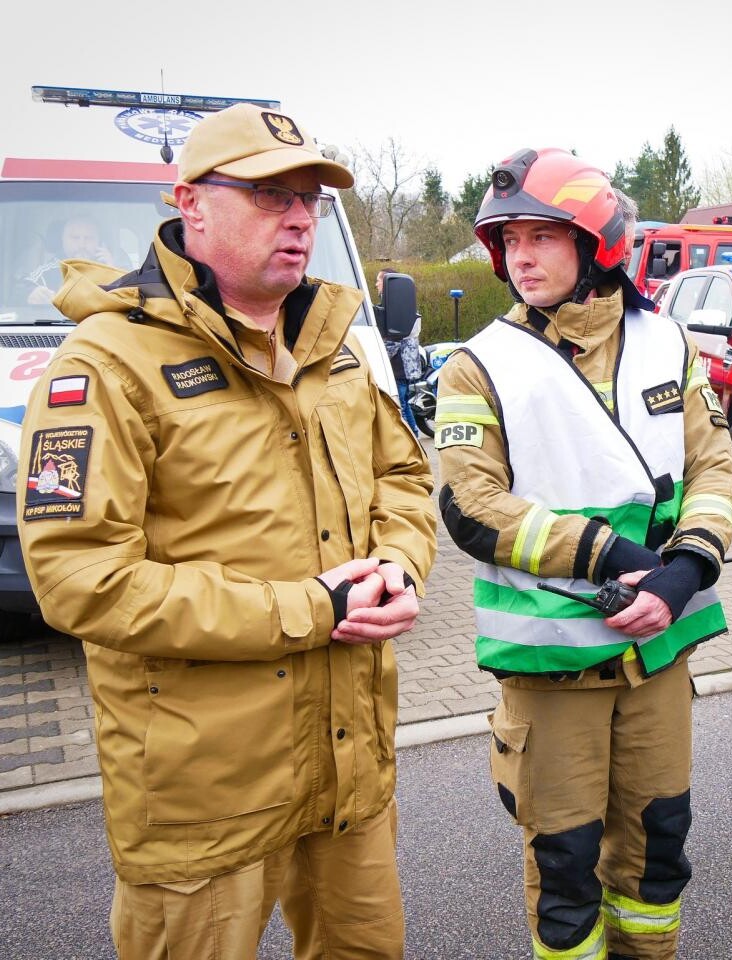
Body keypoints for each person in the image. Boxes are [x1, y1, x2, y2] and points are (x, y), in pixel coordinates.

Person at [17, 103, 438, 959]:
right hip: (202, 791)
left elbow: (403, 476)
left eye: (310, 199)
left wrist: (398, 560)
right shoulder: (104, 364)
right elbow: (77, 577)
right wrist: (306, 609)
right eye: (268, 194)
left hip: (346, 766)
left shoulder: (339, 348)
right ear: (190, 203)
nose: (297, 217)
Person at [434, 148, 732, 960]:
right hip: (554, 660)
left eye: (541, 235)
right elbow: (470, 505)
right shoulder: (478, 365)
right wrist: (609, 555)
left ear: (596, 242)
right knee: (566, 876)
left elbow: (714, 464)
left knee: (656, 856)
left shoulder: (666, 339)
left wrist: (686, 572)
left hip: (658, 643)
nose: (520, 257)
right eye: (508, 241)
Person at [23, 215, 113, 304]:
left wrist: (112, 271)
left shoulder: (112, 268)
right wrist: (32, 294)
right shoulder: (44, 275)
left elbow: (123, 303)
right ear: (63, 240)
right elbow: (20, 291)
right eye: (75, 238)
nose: (82, 245)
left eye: (88, 238)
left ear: (99, 242)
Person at [376, 267, 423, 432]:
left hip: (399, 367)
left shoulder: (398, 309)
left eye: (379, 280)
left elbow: (394, 342)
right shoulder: (400, 305)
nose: (376, 284)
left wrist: (377, 356)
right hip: (401, 367)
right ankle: (415, 435)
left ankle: (411, 439)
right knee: (403, 403)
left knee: (400, 405)